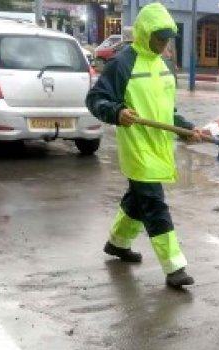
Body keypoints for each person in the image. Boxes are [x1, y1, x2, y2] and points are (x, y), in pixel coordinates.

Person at [86, 3, 206, 290]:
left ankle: (117, 243)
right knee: (154, 203)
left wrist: (187, 129)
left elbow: (167, 111)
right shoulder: (122, 63)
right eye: (159, 38)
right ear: (144, 33)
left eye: (167, 39)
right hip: (137, 147)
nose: (164, 44)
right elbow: (95, 99)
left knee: (137, 200)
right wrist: (115, 112)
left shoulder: (164, 66)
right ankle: (174, 267)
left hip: (160, 146)